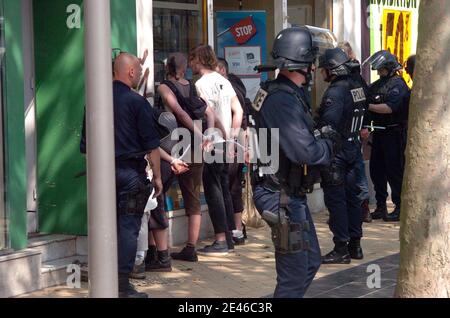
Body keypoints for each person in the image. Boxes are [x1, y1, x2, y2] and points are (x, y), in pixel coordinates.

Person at [251, 27, 337, 298]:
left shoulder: (275, 92)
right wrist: (328, 144)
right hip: (280, 196)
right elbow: (305, 153)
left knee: (309, 262)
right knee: (294, 274)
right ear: (306, 63)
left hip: (286, 194)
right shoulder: (281, 100)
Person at [111, 53, 162, 298]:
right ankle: (121, 285)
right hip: (130, 174)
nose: (141, 74)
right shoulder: (137, 103)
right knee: (128, 228)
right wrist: (159, 179)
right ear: (130, 72)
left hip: (103, 175)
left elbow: (87, 148)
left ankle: (107, 278)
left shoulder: (95, 99)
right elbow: (152, 146)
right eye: (139, 70)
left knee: (106, 226)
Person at [157, 53, 216, 262]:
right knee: (192, 196)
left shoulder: (164, 87)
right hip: (196, 147)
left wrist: (201, 135)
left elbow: (180, 114)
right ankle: (191, 247)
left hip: (172, 146)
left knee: (159, 192)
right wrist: (207, 134)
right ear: (183, 68)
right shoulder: (191, 86)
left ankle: (158, 248)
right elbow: (209, 112)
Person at [189, 45, 243, 256]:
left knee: (213, 192)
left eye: (192, 59)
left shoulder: (201, 84)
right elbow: (237, 111)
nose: (191, 64)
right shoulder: (224, 81)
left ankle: (220, 239)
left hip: (212, 143)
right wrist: (231, 138)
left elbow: (209, 114)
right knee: (224, 190)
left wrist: (213, 135)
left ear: (198, 59)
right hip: (225, 143)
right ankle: (229, 236)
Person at [316, 48, 367, 264]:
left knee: (337, 200)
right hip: (354, 147)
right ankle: (355, 245)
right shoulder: (357, 85)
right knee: (353, 199)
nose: (321, 73)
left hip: (338, 152)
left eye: (323, 69)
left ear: (332, 69)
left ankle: (341, 248)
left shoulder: (335, 91)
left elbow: (328, 125)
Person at [361, 50, 410, 222]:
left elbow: (389, 107)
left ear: (389, 67)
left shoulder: (399, 86)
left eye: (381, 69)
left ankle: (399, 206)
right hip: (380, 134)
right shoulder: (377, 85)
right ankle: (381, 206)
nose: (378, 72)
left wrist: (369, 106)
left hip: (394, 133)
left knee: (395, 171)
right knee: (377, 170)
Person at [338, 41, 372, 223]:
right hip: (354, 130)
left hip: (349, 132)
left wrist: (363, 125)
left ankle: (361, 207)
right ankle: (361, 208)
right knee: (356, 171)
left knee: (355, 171)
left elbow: (362, 104)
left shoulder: (350, 80)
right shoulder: (357, 79)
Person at [217, 58, 248, 245]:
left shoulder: (228, 88)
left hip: (232, 141)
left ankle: (232, 229)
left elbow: (239, 115)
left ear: (221, 70)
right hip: (239, 140)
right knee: (235, 186)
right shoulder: (237, 84)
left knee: (229, 186)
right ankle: (237, 229)